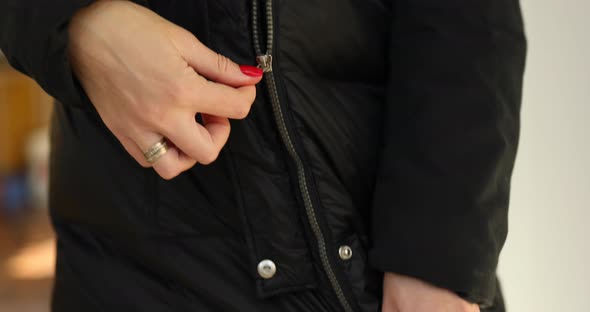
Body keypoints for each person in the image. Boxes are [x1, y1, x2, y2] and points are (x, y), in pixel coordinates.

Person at [0, 0, 526, 311]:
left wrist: (439, 258)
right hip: (135, 264)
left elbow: (468, 21)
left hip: (389, 265)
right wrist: (77, 28)